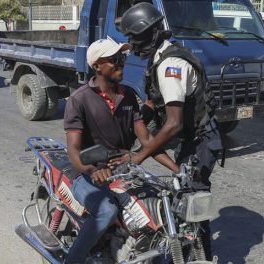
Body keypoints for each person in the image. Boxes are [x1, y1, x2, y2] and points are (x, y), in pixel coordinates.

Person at [119, 3, 225, 260]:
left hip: (200, 142)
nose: (133, 46)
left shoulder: (170, 66)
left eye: (136, 38)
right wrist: (130, 123)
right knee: (184, 200)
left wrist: (139, 156)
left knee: (192, 207)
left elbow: (173, 123)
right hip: (192, 139)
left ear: (152, 34)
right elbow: (153, 103)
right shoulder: (160, 57)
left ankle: (201, 257)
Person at [63, 37, 179, 264]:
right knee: (106, 210)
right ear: (96, 66)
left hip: (123, 171)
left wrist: (178, 170)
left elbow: (147, 141)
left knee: (157, 205)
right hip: (87, 174)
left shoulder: (127, 96)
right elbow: (74, 149)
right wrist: (90, 170)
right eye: (114, 59)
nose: (121, 63)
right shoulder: (79, 100)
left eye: (122, 58)